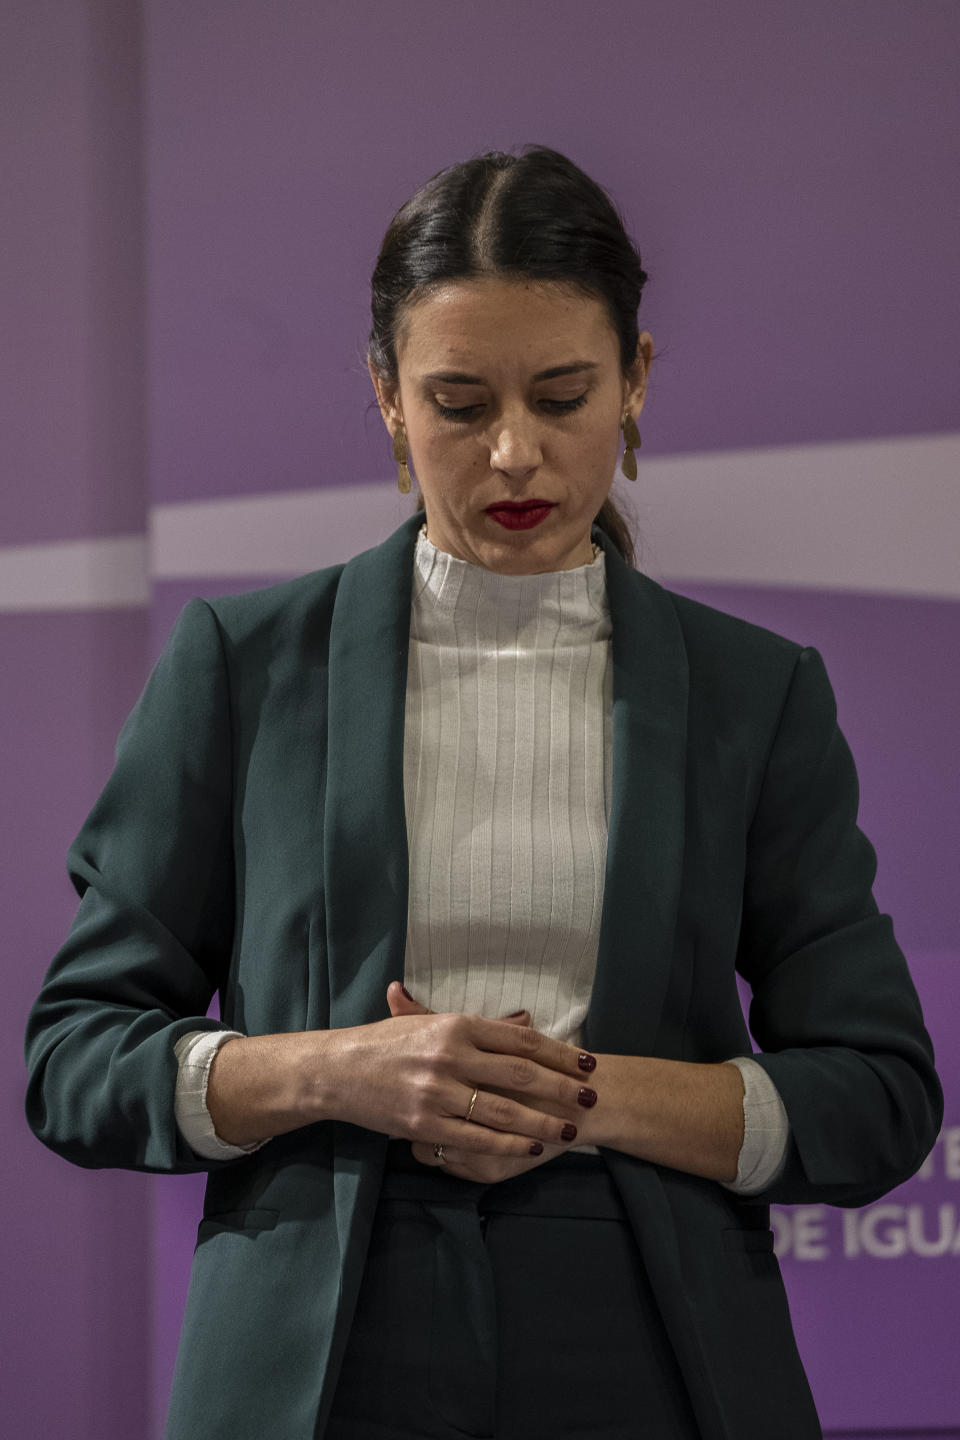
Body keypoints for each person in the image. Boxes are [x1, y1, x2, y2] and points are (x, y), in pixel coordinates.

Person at [25, 146, 941, 1440]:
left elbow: (882, 1098)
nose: (516, 452)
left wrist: (579, 1094)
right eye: (458, 403)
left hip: (658, 1340)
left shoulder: (756, 694)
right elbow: (76, 1061)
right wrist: (347, 1069)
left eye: (564, 395)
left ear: (635, 381)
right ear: (386, 402)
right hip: (318, 1355)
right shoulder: (243, 671)